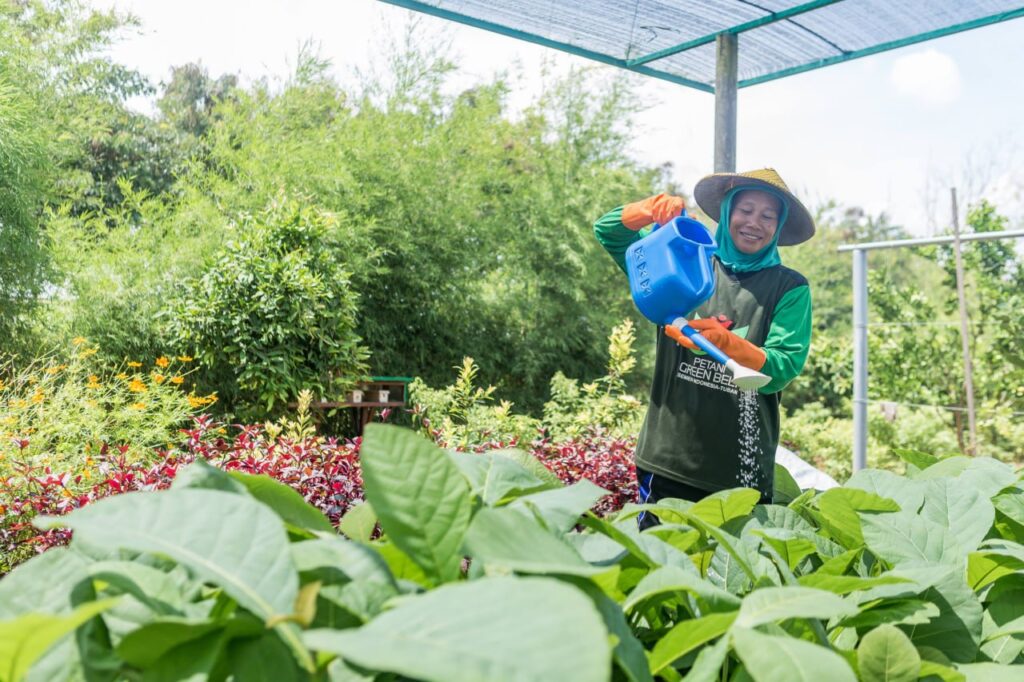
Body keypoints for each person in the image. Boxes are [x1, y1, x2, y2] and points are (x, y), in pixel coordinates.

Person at [593, 168, 814, 526]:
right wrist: (646, 211)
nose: (753, 222)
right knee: (660, 568)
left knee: (729, 577)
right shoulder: (684, 259)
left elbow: (781, 368)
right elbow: (610, 234)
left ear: (778, 226)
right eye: (745, 209)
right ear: (727, 212)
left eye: (768, 216)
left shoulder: (788, 288)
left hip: (740, 475)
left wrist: (726, 341)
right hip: (667, 459)